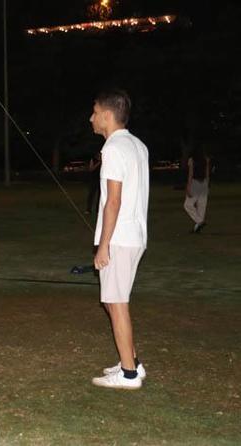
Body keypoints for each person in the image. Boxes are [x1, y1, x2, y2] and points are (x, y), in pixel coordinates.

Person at [89, 89, 149, 389]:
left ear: (107, 115)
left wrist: (103, 246)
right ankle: (132, 362)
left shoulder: (112, 148)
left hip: (119, 238)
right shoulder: (138, 145)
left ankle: (128, 374)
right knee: (112, 301)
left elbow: (113, 201)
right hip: (135, 235)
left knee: (117, 302)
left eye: (94, 112)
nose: (91, 118)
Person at [184, 145, 211, 233]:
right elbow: (207, 173)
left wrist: (188, 187)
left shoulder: (192, 160)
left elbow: (191, 174)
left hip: (195, 183)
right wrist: (207, 184)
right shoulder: (206, 159)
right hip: (204, 183)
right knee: (201, 207)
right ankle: (198, 227)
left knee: (187, 205)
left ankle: (200, 222)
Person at [85, 150, 101, 215]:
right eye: (99, 154)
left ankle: (98, 210)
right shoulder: (93, 160)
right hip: (93, 180)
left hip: (100, 180)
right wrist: (98, 163)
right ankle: (88, 209)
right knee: (91, 194)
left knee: (100, 196)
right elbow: (91, 169)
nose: (100, 155)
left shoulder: (104, 161)